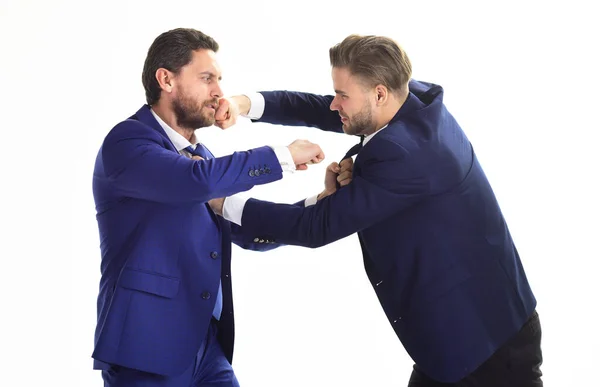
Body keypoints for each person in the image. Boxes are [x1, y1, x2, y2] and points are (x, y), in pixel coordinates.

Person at [212, 34, 543, 386]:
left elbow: (315, 227)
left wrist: (219, 200)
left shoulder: (406, 154)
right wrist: (245, 104)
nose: (334, 103)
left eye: (342, 95)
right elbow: (322, 109)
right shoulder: (414, 100)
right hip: (457, 333)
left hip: (485, 344)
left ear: (380, 93)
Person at [91, 27, 325, 387]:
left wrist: (320, 203)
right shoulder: (127, 142)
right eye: (207, 78)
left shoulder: (202, 158)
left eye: (219, 80)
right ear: (166, 79)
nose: (218, 92)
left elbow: (248, 228)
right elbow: (194, 181)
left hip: (207, 347)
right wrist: (283, 157)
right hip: (146, 346)